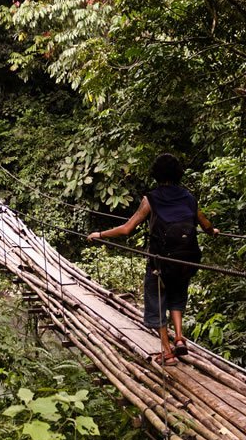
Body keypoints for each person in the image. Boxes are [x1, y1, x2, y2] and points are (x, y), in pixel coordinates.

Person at [87, 153, 218, 365]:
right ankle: (179, 337)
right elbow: (205, 224)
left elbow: (127, 229)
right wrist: (213, 232)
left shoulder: (152, 198)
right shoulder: (188, 197)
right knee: (177, 296)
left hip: (160, 262)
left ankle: (166, 352)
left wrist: (100, 235)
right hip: (186, 261)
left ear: (156, 174)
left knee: (156, 301)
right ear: (178, 174)